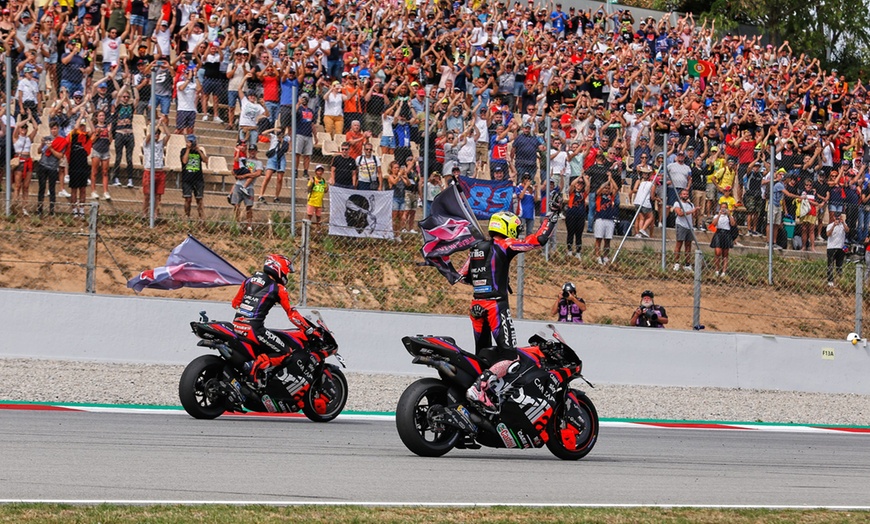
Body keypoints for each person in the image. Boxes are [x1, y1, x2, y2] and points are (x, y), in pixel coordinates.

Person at [462, 202, 561, 412]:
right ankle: (479, 389)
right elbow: (538, 240)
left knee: (483, 356)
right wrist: (553, 216)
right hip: (495, 306)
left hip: (475, 306)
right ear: (506, 228)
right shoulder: (505, 245)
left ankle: (480, 397)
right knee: (508, 356)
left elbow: (464, 277)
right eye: (514, 230)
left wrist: (488, 278)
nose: (515, 234)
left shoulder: (475, 249)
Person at [231, 254, 312, 385]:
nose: (287, 275)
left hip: (236, 326)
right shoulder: (279, 288)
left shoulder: (249, 280)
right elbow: (292, 314)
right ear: (279, 268)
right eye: (286, 271)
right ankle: (254, 369)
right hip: (254, 330)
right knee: (285, 352)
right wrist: (308, 329)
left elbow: (235, 303)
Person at [232, 144, 263, 232]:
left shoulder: (258, 162)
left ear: (256, 152)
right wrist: (236, 174)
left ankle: (249, 225)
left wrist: (245, 175)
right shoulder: (243, 159)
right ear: (248, 151)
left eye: (254, 150)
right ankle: (237, 223)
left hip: (249, 187)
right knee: (236, 205)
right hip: (239, 184)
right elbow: (234, 169)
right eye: (251, 150)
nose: (252, 152)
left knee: (249, 206)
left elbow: (257, 173)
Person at [142, 122, 169, 219]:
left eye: (158, 133)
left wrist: (163, 123)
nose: (157, 135)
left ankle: (155, 215)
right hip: (149, 171)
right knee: (147, 195)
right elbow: (149, 135)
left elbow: (168, 135)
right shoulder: (147, 143)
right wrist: (157, 124)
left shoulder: (161, 143)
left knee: (158, 196)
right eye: (155, 133)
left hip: (159, 171)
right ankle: (144, 214)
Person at [593, 176, 619, 265]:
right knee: (599, 239)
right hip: (600, 218)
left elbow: (616, 188)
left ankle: (605, 256)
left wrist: (611, 179)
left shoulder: (611, 197)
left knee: (607, 240)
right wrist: (607, 181)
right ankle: (597, 256)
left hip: (609, 219)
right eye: (605, 188)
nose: (607, 190)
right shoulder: (599, 196)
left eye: (608, 188)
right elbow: (599, 189)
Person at [180, 134, 208, 220]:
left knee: (199, 199)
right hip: (187, 179)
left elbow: (205, 160)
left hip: (198, 179)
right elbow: (184, 161)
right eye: (189, 142)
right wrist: (188, 149)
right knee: (188, 199)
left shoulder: (199, 151)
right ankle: (187, 216)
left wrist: (199, 150)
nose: (191, 143)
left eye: (192, 142)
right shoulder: (184, 151)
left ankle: (201, 217)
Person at [672, 188, 696, 271]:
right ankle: (676, 263)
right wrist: (691, 211)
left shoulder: (691, 204)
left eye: (686, 194)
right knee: (679, 244)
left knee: (688, 245)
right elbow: (680, 214)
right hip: (681, 225)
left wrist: (694, 212)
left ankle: (687, 264)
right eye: (684, 194)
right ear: (680, 195)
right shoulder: (677, 203)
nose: (685, 195)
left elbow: (694, 215)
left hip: (689, 226)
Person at [710, 202, 736, 278]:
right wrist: (719, 214)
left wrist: (729, 214)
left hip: (726, 234)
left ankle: (724, 271)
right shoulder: (716, 216)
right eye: (722, 207)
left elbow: (733, 224)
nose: (723, 209)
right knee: (718, 252)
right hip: (719, 233)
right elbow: (713, 224)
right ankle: (717, 270)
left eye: (725, 207)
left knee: (725, 254)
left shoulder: (729, 216)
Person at [826, 214, 849, 287]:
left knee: (839, 264)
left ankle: (840, 279)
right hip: (831, 247)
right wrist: (834, 226)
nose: (838, 219)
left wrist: (843, 222)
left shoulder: (843, 225)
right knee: (830, 264)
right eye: (836, 218)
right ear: (833, 218)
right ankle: (830, 280)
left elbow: (847, 230)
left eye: (839, 218)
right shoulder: (830, 225)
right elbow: (828, 234)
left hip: (840, 248)